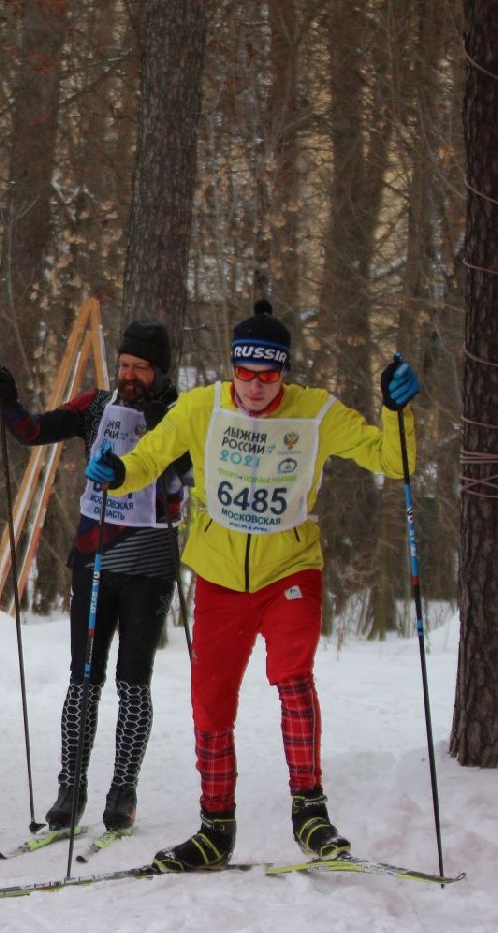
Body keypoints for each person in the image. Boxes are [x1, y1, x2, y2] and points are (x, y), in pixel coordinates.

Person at [87, 300, 419, 869]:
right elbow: (148, 457)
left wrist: (395, 410)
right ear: (233, 368)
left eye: (269, 376)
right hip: (218, 575)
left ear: (284, 373)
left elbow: (396, 462)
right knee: (211, 703)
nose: (257, 387)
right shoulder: (202, 407)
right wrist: (118, 473)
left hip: (290, 570)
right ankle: (215, 827)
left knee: (292, 677)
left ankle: (310, 812)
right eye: (246, 373)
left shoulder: (317, 413)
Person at [0, 322, 188, 832]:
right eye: (124, 365)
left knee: (133, 682)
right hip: (93, 559)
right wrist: (7, 402)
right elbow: (34, 431)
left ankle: (123, 790)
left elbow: (191, 472)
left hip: (148, 564)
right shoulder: (96, 405)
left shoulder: (180, 416)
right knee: (83, 680)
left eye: (140, 368)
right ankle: (70, 788)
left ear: (160, 371)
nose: (130, 376)